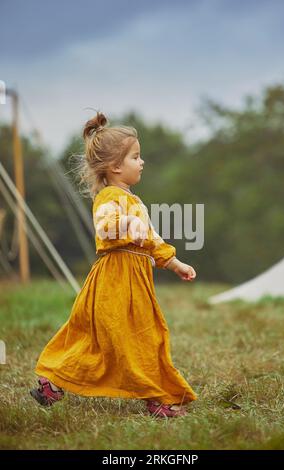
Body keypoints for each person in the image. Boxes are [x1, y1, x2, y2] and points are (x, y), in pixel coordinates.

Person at [30, 111, 198, 418]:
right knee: (112, 340)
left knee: (138, 338)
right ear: (116, 166)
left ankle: (54, 385)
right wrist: (128, 226)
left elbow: (152, 240)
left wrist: (174, 263)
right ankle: (155, 400)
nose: (142, 162)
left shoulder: (132, 200)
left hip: (135, 283)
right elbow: (105, 226)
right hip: (114, 283)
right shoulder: (109, 197)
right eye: (136, 157)